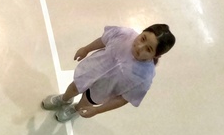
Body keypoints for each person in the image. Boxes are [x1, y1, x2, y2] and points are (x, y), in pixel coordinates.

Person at [41, 24, 176, 122]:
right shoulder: (124, 34)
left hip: (103, 90)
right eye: (143, 38)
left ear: (155, 55)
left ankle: (75, 109)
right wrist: (86, 49)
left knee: (86, 101)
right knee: (74, 87)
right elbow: (103, 40)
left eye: (148, 49)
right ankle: (64, 99)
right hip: (89, 71)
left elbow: (124, 99)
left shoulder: (144, 77)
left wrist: (97, 110)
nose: (139, 47)